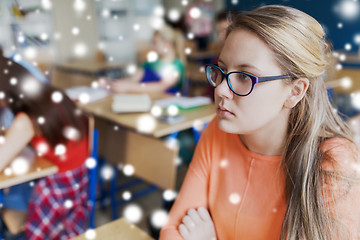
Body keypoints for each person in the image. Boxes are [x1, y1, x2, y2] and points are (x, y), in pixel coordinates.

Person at [160, 5, 360, 240]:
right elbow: (172, 231)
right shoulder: (218, 130)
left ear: (295, 92)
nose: (221, 89)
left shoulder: (333, 161)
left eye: (245, 77)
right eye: (222, 70)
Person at [0, 55, 90, 240]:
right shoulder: (47, 96)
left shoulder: (25, 120)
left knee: (11, 193)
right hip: (78, 180)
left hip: (58, 189)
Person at [107, 24, 185, 95]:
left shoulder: (176, 65)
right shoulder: (150, 64)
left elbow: (161, 86)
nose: (153, 46)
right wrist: (113, 84)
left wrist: (129, 86)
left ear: (168, 43)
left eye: (155, 43)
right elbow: (133, 79)